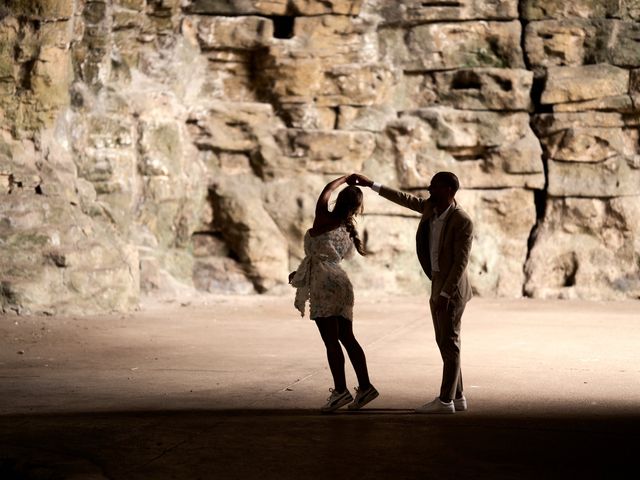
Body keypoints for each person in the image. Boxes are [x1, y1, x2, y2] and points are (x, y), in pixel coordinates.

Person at [347, 172, 473, 414]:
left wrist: (446, 295)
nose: (428, 188)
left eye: (434, 186)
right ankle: (458, 397)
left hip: (452, 289)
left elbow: (460, 263)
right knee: (445, 342)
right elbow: (404, 198)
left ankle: (445, 401)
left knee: (450, 343)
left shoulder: (462, 221)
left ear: (448, 189)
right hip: (437, 282)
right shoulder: (431, 208)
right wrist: (371, 183)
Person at [289, 175, 379, 413]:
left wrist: (346, 178)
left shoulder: (323, 216)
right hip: (340, 283)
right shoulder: (347, 229)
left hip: (323, 284)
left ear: (339, 200)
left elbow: (327, 188)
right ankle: (365, 386)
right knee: (347, 338)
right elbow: (327, 258)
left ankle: (341, 391)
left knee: (331, 342)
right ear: (357, 208)